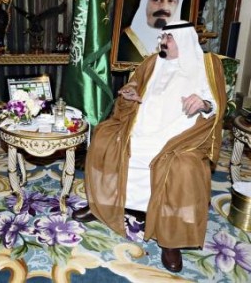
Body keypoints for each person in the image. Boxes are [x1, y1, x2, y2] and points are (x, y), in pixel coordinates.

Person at [73, 21, 227, 272]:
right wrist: (130, 92)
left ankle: (170, 237)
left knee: (183, 167)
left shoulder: (207, 66)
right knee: (103, 137)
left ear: (185, 40)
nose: (163, 42)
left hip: (181, 136)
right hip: (139, 128)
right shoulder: (152, 62)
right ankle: (103, 204)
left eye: (169, 37)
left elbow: (217, 104)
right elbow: (135, 84)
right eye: (163, 36)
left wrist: (204, 104)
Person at [118, 0, 184, 63]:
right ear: (145, 3)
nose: (164, 7)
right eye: (157, 0)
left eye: (171, 1)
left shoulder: (182, 42)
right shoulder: (127, 41)